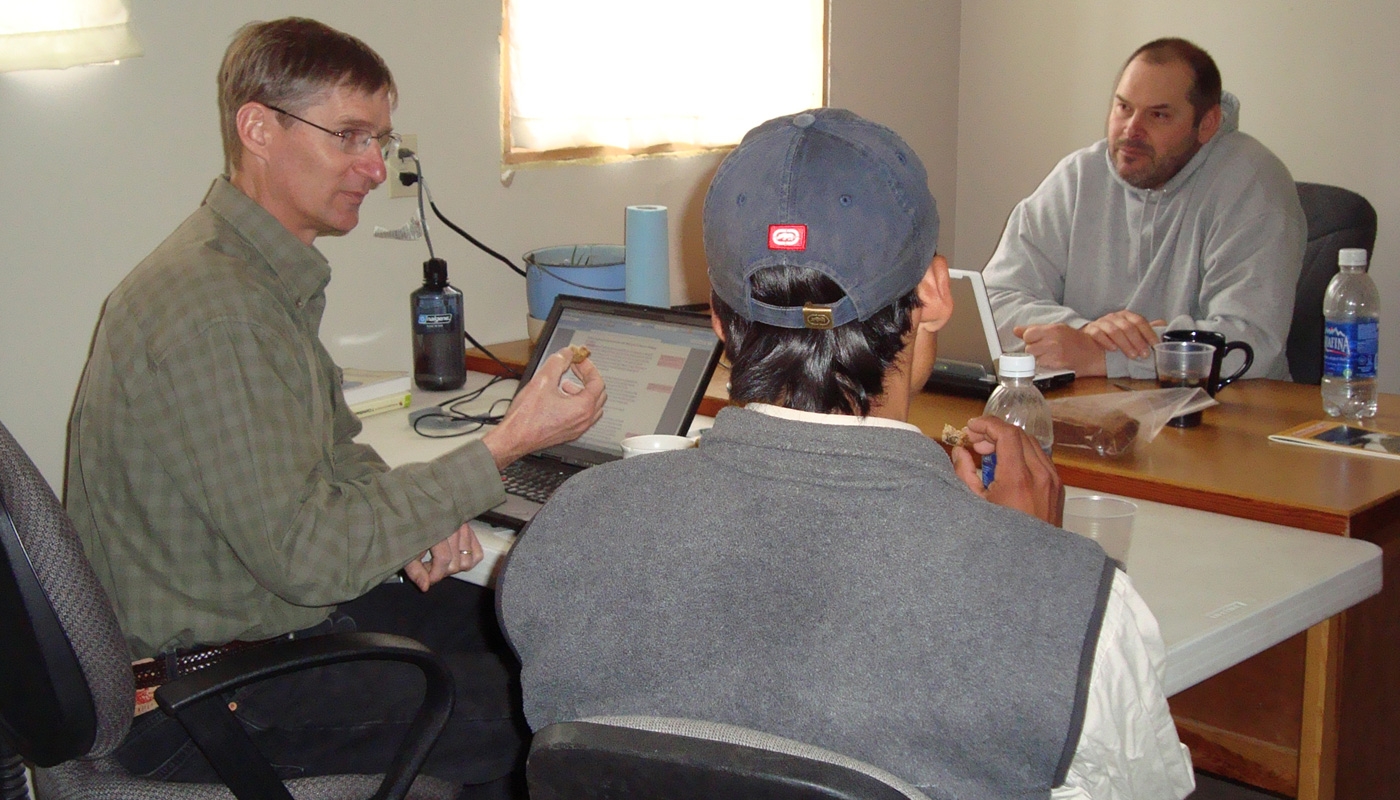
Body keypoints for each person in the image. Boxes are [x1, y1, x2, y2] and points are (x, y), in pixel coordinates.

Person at [498, 108, 1195, 799]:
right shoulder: (1073, 602)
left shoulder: (566, 528)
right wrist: (1022, 560)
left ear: (715, 319)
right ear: (933, 292)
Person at [65, 17, 605, 798]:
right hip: (205, 695)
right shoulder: (221, 311)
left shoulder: (244, 275)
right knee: (554, 708)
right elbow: (308, 555)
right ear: (258, 128)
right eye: (348, 136)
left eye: (379, 141)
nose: (372, 167)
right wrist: (502, 447)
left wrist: (412, 519)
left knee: (539, 632)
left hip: (251, 634)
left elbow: (329, 454)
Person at [982, 38, 1306, 380]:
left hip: (1222, 416)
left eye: (1159, 115)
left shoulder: (1253, 184)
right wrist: (1086, 333)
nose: (1131, 130)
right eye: (1123, 107)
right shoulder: (1078, 177)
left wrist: (1108, 358)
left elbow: (1250, 340)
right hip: (1097, 408)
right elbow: (992, 301)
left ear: (1207, 123)